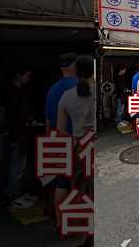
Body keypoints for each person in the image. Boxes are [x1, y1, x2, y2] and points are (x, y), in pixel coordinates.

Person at [57, 55, 95, 244]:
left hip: (80, 146)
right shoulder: (98, 90)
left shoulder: (66, 97)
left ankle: (86, 235)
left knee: (81, 191)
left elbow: (61, 131)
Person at [44, 53, 78, 230]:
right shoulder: (81, 86)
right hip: (81, 142)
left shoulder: (53, 90)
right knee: (81, 182)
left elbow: (48, 122)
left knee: (61, 183)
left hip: (59, 141)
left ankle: (60, 222)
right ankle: (78, 223)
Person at [5, 65, 33, 209]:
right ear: (18, 75)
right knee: (16, 167)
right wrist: (27, 120)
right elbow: (16, 116)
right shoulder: (14, 93)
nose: (28, 79)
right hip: (17, 135)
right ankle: (14, 196)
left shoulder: (18, 92)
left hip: (20, 134)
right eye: (27, 76)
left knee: (19, 166)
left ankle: (18, 194)